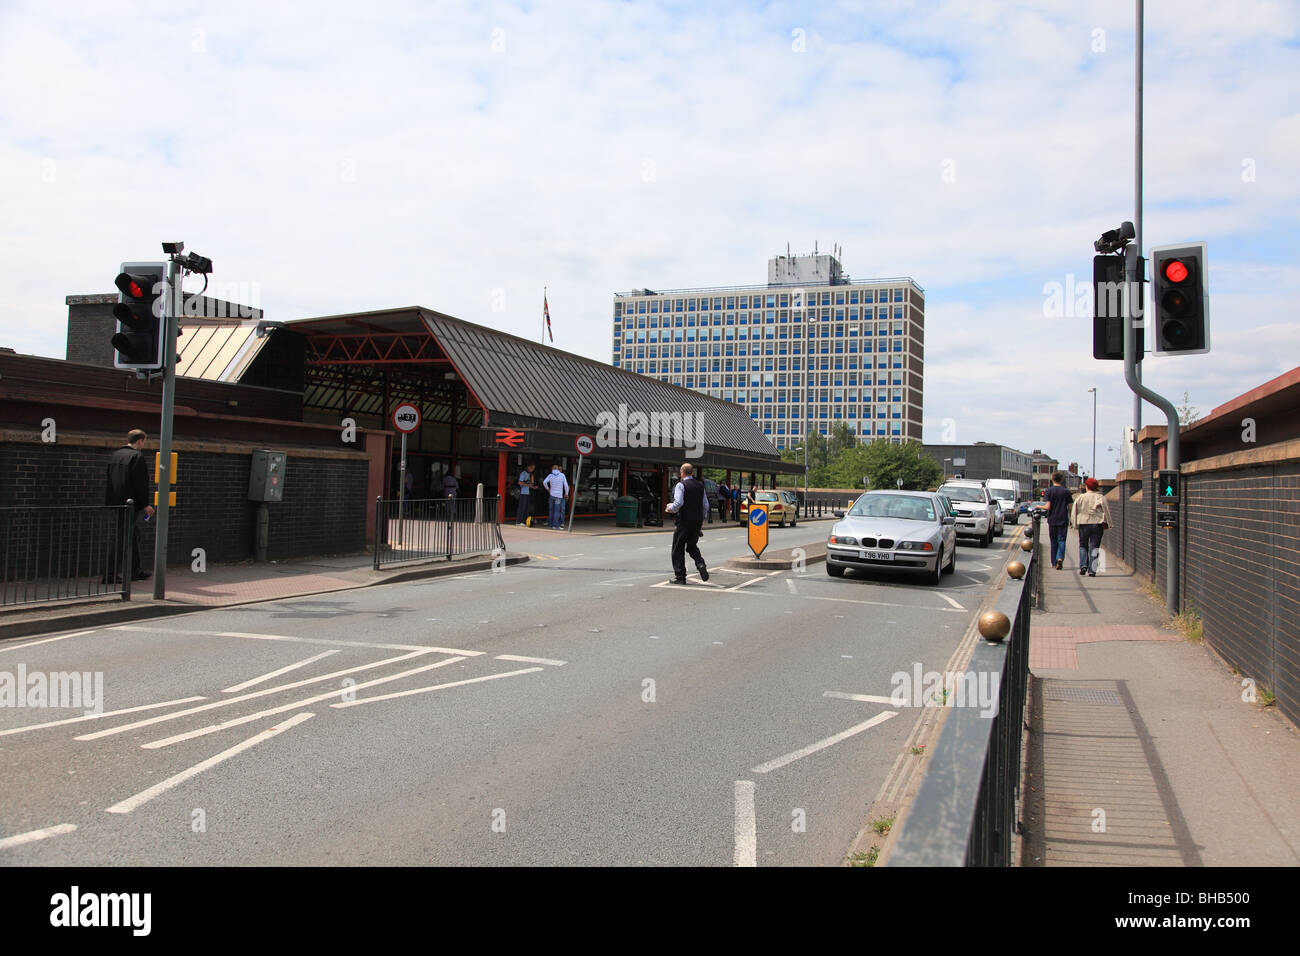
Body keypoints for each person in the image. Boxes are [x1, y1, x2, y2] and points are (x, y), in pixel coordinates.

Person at [104, 429, 155, 582]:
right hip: (131, 504)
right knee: (122, 537)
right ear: (140, 440)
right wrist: (145, 504)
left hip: (117, 503)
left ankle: (135, 570)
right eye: (144, 441)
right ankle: (110, 575)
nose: (143, 445)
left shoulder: (116, 455)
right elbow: (140, 483)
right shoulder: (136, 456)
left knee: (133, 536)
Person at [666, 462, 708, 584]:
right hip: (697, 521)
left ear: (682, 473)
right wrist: (701, 518)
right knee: (691, 546)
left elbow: (678, 502)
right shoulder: (700, 485)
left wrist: (670, 508)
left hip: (684, 521)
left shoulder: (681, 485)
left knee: (677, 548)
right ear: (692, 473)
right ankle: (700, 564)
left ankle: (680, 577)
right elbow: (705, 505)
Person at [1071, 477, 1112, 577]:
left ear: (1087, 486)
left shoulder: (1080, 497)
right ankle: (1092, 570)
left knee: (1083, 545)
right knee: (1094, 546)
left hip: (1083, 523)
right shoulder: (1100, 497)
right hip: (1097, 523)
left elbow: (1074, 511)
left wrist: (1074, 523)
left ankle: (1083, 565)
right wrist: (1108, 523)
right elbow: (1106, 511)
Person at [1043, 471, 1073, 570]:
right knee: (1062, 540)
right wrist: (1071, 519)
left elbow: (1047, 507)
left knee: (1053, 541)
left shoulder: (1049, 491)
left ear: (1052, 479)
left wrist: (1038, 506)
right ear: (1062, 479)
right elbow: (1070, 507)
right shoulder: (1066, 491)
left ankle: (1054, 562)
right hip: (1063, 519)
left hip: (1052, 519)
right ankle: (1060, 557)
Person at [542, 463, 569, 530]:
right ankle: (555, 525)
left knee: (551, 510)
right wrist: (566, 493)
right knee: (557, 511)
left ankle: (551, 524)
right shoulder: (562, 475)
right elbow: (566, 485)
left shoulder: (550, 475)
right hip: (558, 496)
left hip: (552, 494)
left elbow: (544, 482)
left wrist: (548, 489)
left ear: (552, 469)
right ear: (557, 469)